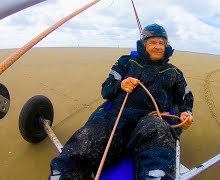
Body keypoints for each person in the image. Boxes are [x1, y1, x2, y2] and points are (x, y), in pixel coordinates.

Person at [50, 23, 194, 179]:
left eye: (161, 43)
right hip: (116, 117)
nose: (158, 47)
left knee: (158, 129)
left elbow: (185, 98)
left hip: (151, 120)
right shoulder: (126, 62)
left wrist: (186, 113)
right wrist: (121, 84)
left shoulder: (174, 72)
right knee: (91, 134)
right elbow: (106, 90)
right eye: (153, 42)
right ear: (144, 44)